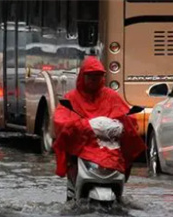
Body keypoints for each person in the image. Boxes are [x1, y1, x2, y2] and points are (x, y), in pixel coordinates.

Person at [52, 56, 145, 185]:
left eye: (98, 75)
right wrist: (77, 126)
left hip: (109, 149)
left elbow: (126, 116)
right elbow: (60, 119)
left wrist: (124, 122)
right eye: (90, 76)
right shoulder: (71, 98)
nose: (94, 79)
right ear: (82, 77)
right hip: (81, 148)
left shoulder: (111, 96)